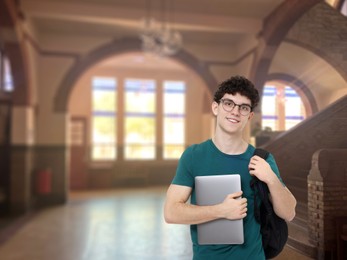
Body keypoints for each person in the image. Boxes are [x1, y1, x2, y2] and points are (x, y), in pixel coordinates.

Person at [164, 75, 296, 259]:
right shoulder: (193, 156)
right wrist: (221, 210)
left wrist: (271, 179)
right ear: (215, 107)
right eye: (229, 103)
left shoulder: (262, 159)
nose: (235, 111)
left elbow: (289, 213)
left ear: (249, 116)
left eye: (243, 108)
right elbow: (171, 212)